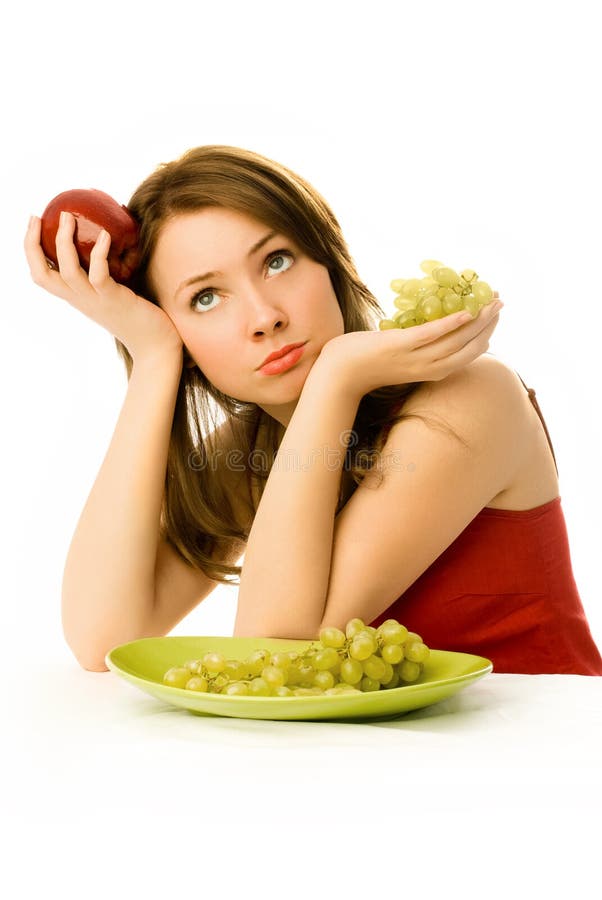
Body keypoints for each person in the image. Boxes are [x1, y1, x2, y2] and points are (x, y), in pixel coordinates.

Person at [24, 144, 602, 677]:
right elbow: (101, 639)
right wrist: (153, 359)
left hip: (543, 762)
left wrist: (336, 377)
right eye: (206, 298)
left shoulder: (473, 396)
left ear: (329, 262)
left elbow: (274, 645)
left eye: (277, 261)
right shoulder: (247, 454)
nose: (263, 315)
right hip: (381, 772)